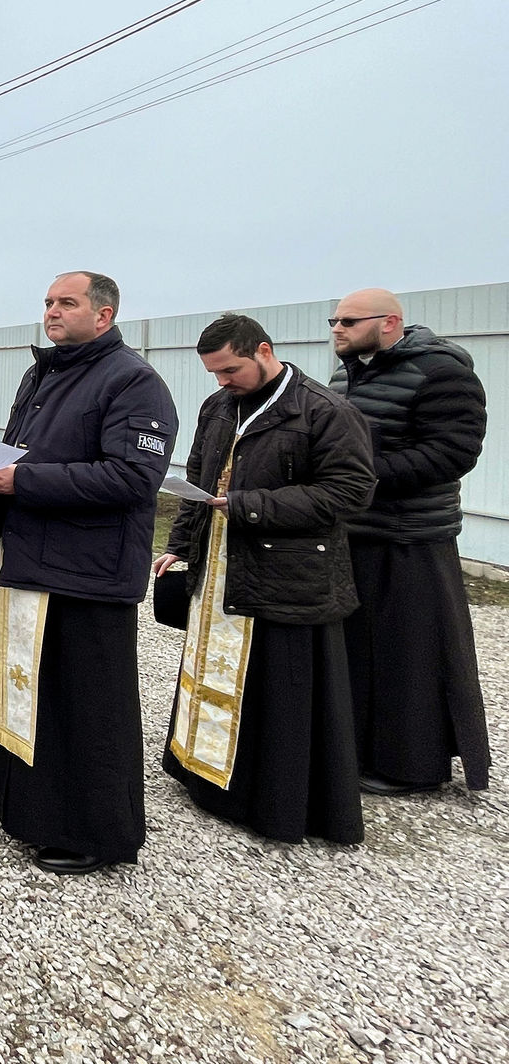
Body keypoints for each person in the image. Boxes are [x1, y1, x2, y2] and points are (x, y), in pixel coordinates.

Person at [0, 271, 177, 875]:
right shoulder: (45, 371)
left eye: (66, 303)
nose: (52, 312)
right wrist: (0, 527)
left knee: (89, 704)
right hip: (33, 553)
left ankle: (93, 832)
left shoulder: (134, 381)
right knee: (35, 689)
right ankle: (27, 807)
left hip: (89, 570)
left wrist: (25, 483)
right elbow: (16, 456)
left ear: (104, 316)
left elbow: (134, 478)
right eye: (48, 303)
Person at [155, 314, 374, 843]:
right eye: (214, 373)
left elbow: (351, 491)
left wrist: (250, 505)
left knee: (279, 690)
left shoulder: (324, 411)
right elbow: (200, 482)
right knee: (214, 676)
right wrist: (179, 545)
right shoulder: (218, 406)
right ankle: (206, 777)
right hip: (218, 570)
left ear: (263, 351)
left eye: (230, 369)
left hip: (288, 575)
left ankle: (273, 800)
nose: (222, 381)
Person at [329, 288, 491, 794]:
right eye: (334, 320)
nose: (337, 328)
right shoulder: (345, 372)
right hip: (353, 531)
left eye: (349, 321)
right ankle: (354, 753)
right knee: (357, 651)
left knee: (410, 657)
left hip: (411, 536)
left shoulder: (443, 372)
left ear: (390, 323)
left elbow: (452, 453)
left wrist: (361, 475)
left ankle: (412, 768)